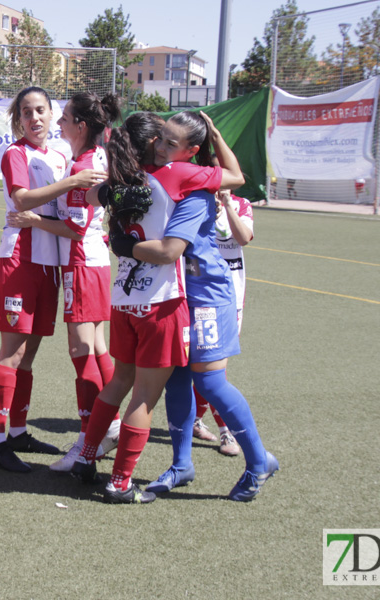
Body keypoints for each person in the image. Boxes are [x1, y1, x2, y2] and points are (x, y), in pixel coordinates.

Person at [111, 111, 277, 502]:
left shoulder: (193, 184)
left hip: (206, 294)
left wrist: (124, 245)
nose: (161, 147)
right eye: (160, 139)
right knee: (178, 378)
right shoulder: (162, 177)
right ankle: (182, 464)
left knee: (211, 381)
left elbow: (172, 249)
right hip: (178, 294)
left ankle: (258, 461)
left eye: (171, 142)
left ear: (192, 150)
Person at [65, 111, 211, 504]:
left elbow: (92, 195)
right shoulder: (171, 178)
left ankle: (86, 458)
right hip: (161, 303)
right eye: (161, 139)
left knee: (118, 383)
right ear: (153, 144)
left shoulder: (121, 183)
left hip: (124, 301)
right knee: (144, 396)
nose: (166, 145)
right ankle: (120, 482)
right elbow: (232, 178)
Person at [0, 86, 106, 473]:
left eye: (41, 110)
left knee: (30, 353)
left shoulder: (61, 156)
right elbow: (21, 199)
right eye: (25, 112)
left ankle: (18, 431)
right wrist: (73, 183)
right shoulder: (15, 153)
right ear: (17, 119)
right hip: (19, 259)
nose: (34, 118)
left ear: (53, 115)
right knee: (13, 352)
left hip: (51, 263)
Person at [192, 187, 254, 457]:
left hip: (231, 296)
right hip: (203, 293)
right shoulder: (195, 201)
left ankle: (195, 420)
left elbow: (243, 238)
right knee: (211, 364)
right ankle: (226, 430)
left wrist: (227, 205)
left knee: (213, 362)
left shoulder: (241, 204)